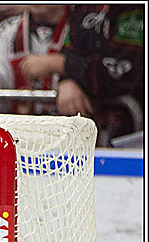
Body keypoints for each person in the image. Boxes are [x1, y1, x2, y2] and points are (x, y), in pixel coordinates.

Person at [56, 5, 144, 145]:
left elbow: (121, 75)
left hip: (133, 133)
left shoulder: (136, 10)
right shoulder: (80, 7)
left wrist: (61, 64)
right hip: (90, 132)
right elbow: (70, 51)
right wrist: (66, 80)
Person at [0, 5, 69, 113]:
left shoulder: (80, 27)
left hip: (66, 122)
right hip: (17, 123)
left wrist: (59, 67)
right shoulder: (6, 29)